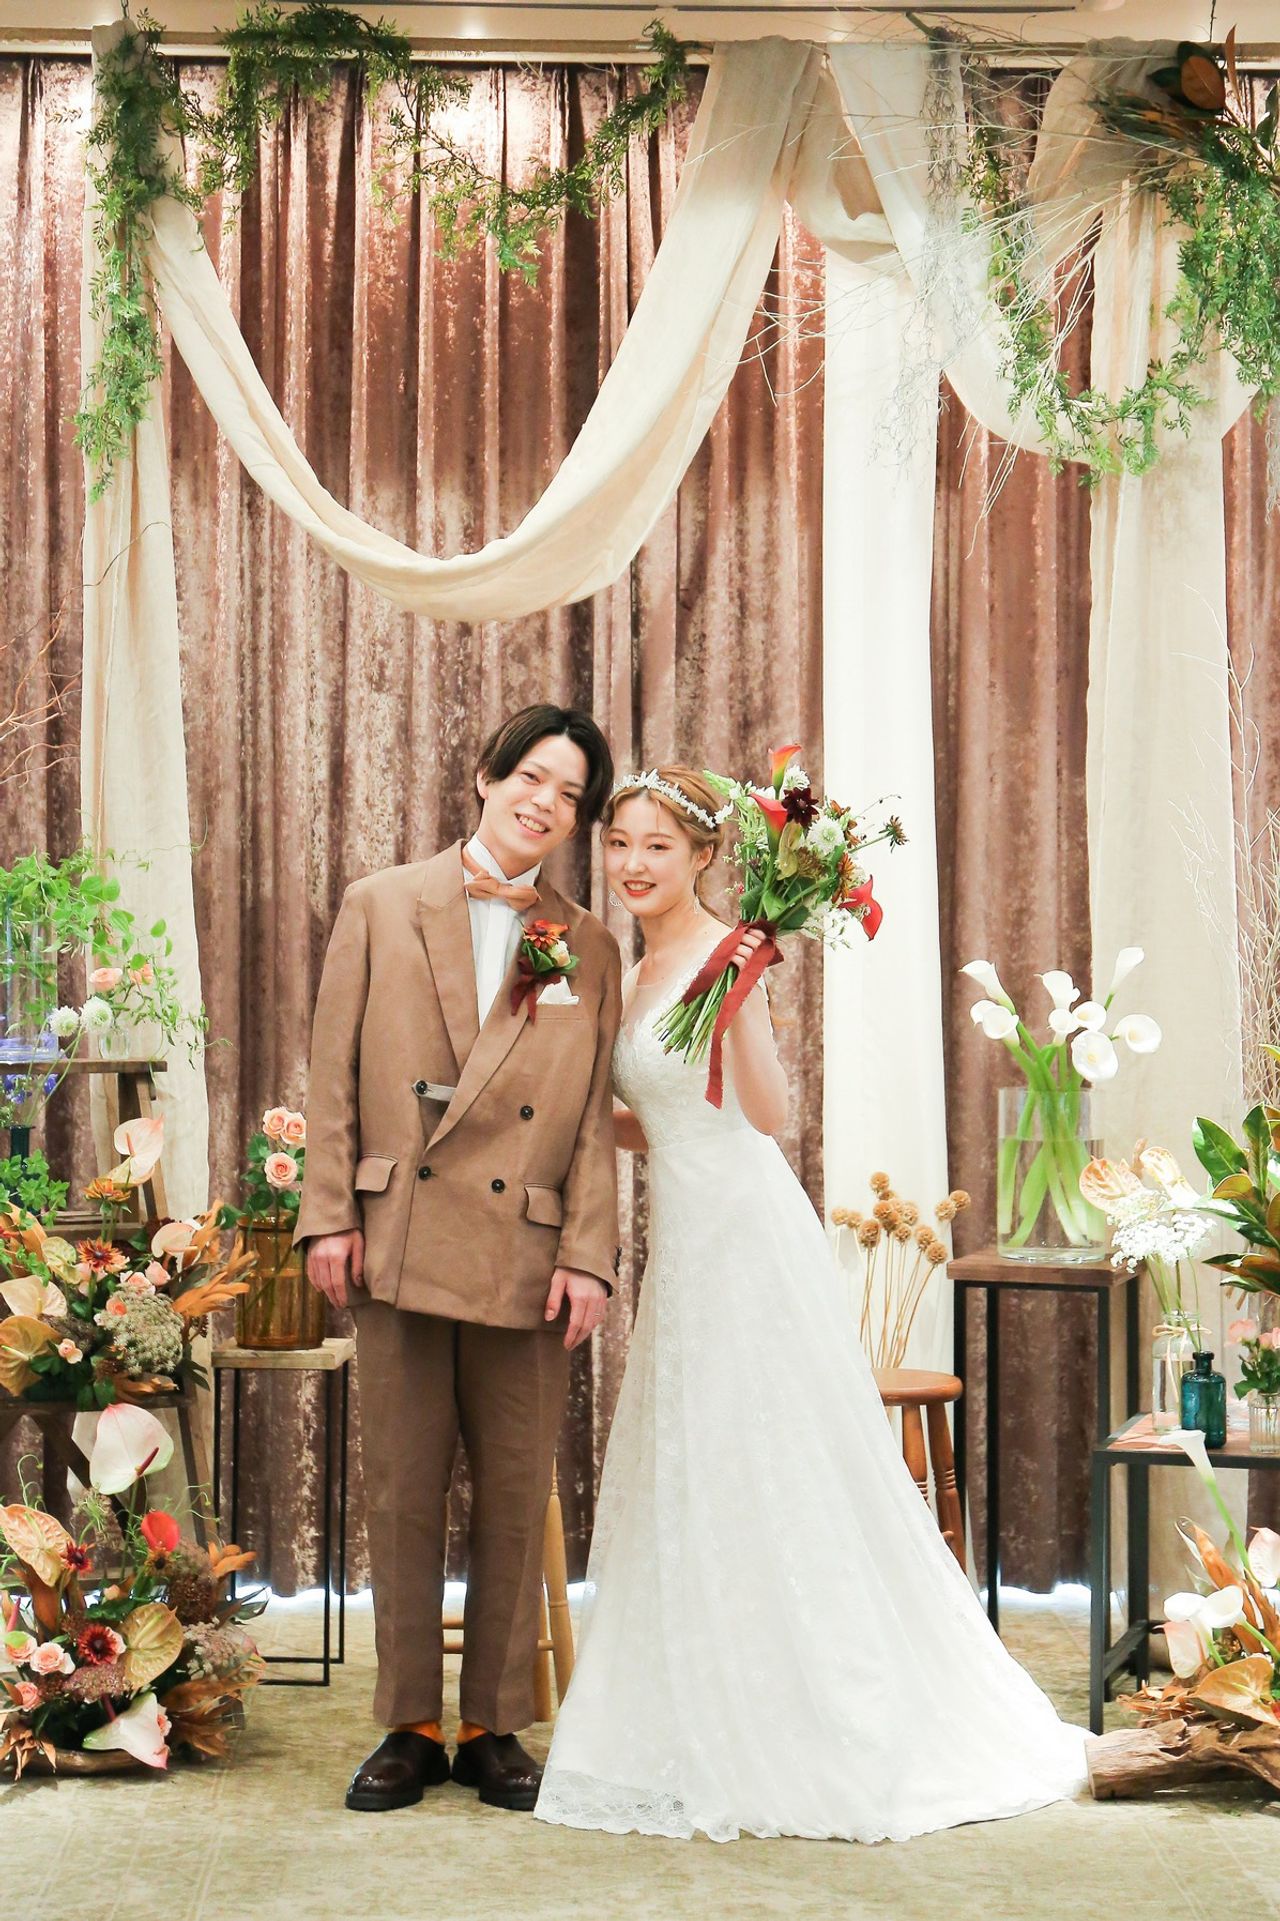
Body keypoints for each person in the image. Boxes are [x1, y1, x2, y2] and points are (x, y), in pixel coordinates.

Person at [535, 765, 1088, 1844]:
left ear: (706, 857)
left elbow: (766, 1113)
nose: (634, 863)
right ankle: (707, 1697)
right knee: (699, 1456)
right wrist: (568, 1121)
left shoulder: (728, 954)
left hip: (746, 1233)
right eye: (619, 844)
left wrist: (743, 989)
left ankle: (818, 1707)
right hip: (686, 1237)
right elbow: (662, 1116)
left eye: (657, 845)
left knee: (768, 1451)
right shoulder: (635, 967)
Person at [296, 705, 622, 1814]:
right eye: (531, 777)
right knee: (400, 1487)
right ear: (485, 775)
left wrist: (589, 1254)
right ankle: (408, 1722)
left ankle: (492, 1724)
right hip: (394, 1230)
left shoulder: (585, 943)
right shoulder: (382, 903)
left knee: (515, 1488)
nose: (545, 803)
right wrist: (326, 1216)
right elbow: (332, 1072)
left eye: (569, 795)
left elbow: (590, 1118)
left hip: (526, 1251)